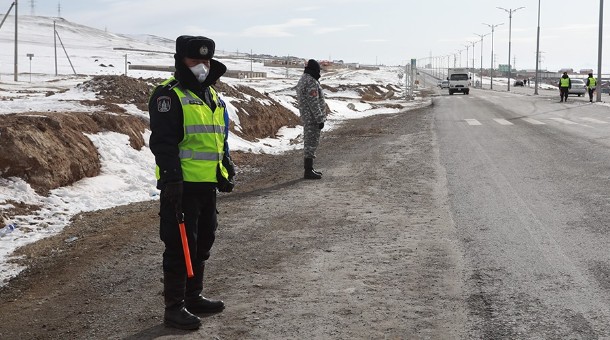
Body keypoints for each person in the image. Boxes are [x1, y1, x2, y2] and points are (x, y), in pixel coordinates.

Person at [148, 35, 235, 330]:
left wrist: (225, 168)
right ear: (180, 60)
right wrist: (172, 179)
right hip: (181, 187)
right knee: (178, 246)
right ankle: (174, 308)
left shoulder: (212, 96)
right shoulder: (168, 95)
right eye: (195, 60)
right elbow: (163, 141)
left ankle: (193, 296)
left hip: (206, 185)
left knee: (203, 243)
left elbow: (217, 137)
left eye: (206, 60)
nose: (202, 65)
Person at [296, 59, 327, 179]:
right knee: (311, 143)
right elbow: (313, 102)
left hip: (307, 116)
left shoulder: (304, 79)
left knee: (310, 142)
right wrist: (320, 119)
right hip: (312, 118)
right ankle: (308, 171)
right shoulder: (310, 81)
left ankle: (309, 169)